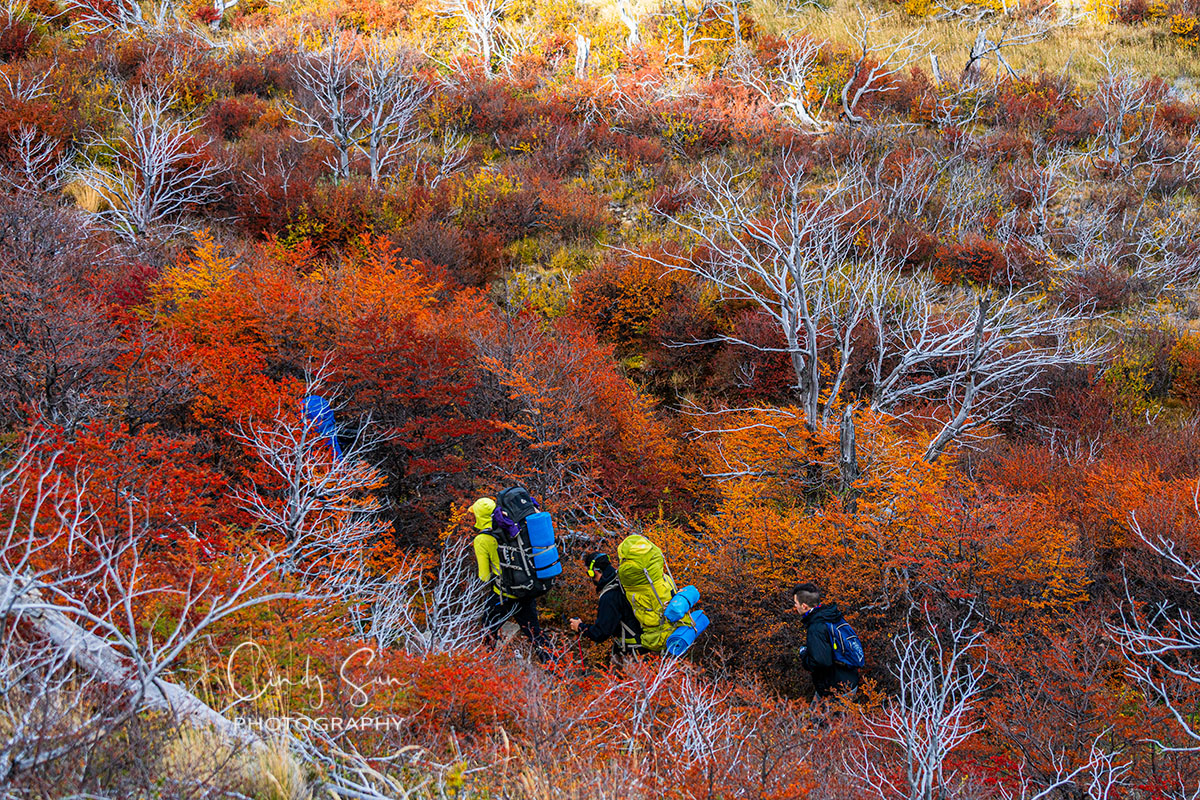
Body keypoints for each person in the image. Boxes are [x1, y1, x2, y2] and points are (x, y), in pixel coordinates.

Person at [470, 497, 549, 661]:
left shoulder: (482, 539)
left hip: (502, 595)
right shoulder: (512, 527)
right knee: (535, 634)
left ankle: (486, 668)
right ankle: (556, 669)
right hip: (526, 590)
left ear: (479, 516)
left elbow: (484, 577)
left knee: (488, 631)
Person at [569, 552, 645, 661]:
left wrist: (580, 627)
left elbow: (601, 633)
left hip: (634, 653)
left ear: (594, 572)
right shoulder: (623, 582)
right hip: (650, 646)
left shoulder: (610, 596)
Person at [793, 581, 861, 700]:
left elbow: (822, 662)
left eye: (796, 603)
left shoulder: (816, 627)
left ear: (804, 606)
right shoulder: (830, 615)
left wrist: (804, 655)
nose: (795, 606)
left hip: (835, 690)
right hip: (849, 680)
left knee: (820, 719)